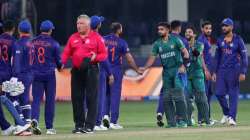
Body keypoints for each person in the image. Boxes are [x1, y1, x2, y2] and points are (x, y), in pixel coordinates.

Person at [61, 14, 107, 134]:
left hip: (91, 69)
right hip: (77, 70)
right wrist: (62, 62)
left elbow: (104, 54)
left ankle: (89, 126)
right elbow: (66, 52)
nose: (78, 26)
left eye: (81, 23)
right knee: (76, 98)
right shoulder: (73, 37)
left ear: (88, 25)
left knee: (91, 98)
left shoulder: (97, 37)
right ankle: (79, 124)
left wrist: (95, 57)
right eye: (77, 23)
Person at [141, 22, 189, 128]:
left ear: (167, 30)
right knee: (167, 98)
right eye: (158, 29)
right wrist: (145, 68)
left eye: (161, 29)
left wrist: (183, 66)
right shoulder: (157, 44)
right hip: (166, 72)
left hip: (176, 70)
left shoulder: (176, 40)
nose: (159, 31)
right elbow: (152, 58)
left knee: (178, 97)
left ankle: (182, 121)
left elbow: (186, 53)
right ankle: (171, 122)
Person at [102, 22, 142, 129]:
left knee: (105, 94)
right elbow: (129, 59)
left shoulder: (103, 39)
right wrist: (137, 69)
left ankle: (104, 116)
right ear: (119, 30)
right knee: (115, 95)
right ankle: (113, 122)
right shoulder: (122, 42)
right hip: (115, 70)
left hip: (103, 69)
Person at [212, 18, 248, 126]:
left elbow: (244, 57)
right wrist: (214, 71)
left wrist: (243, 72)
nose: (224, 27)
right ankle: (227, 113)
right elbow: (217, 57)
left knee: (233, 95)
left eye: (226, 25)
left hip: (234, 71)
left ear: (231, 27)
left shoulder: (238, 40)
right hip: (222, 71)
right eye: (223, 25)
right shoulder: (220, 40)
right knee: (218, 94)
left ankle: (232, 118)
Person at [31, 20, 62, 135]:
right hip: (49, 75)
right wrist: (60, 67)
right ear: (50, 30)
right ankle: (49, 128)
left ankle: (34, 120)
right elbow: (58, 61)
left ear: (40, 29)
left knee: (36, 100)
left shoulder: (33, 42)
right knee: (50, 101)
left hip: (36, 74)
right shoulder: (54, 43)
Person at [185, 25, 212, 126]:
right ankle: (189, 120)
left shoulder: (199, 44)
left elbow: (197, 54)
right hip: (187, 75)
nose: (187, 33)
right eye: (186, 32)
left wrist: (191, 46)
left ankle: (206, 120)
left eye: (190, 32)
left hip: (197, 74)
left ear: (194, 34)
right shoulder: (183, 45)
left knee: (201, 98)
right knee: (187, 97)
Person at [90, 15, 114, 131]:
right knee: (99, 97)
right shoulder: (100, 39)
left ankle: (87, 121)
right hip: (98, 70)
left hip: (84, 70)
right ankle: (96, 123)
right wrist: (110, 73)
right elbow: (104, 58)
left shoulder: (83, 37)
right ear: (99, 25)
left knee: (88, 97)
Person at [12, 20, 34, 124]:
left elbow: (17, 60)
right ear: (29, 30)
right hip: (30, 74)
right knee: (25, 98)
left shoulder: (19, 43)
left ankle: (20, 122)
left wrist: (15, 76)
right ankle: (28, 122)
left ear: (19, 30)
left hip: (20, 74)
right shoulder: (32, 43)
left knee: (13, 98)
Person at [197, 20, 215, 124]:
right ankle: (202, 119)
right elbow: (200, 56)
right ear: (202, 29)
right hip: (204, 70)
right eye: (206, 28)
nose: (209, 30)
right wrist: (206, 70)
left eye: (210, 28)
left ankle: (206, 117)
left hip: (208, 69)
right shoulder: (201, 40)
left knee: (208, 94)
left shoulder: (207, 39)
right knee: (203, 95)